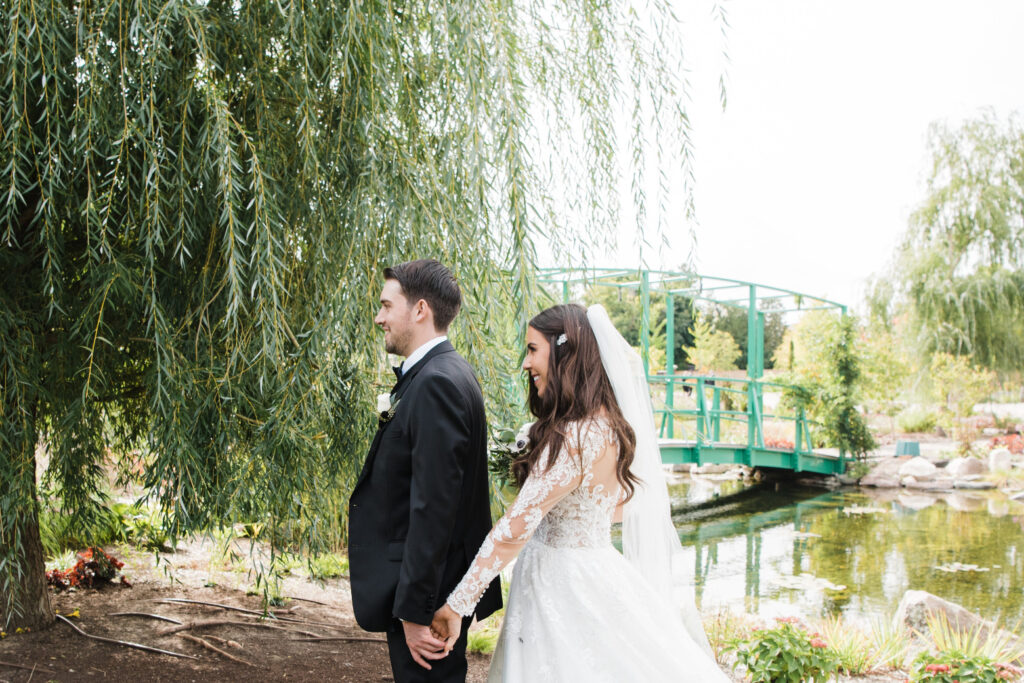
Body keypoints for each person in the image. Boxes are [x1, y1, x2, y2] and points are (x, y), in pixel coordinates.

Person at [431, 303, 730, 682]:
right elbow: (616, 509)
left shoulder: (574, 438)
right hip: (597, 567)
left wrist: (458, 605)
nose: (526, 363)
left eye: (533, 349)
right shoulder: (609, 427)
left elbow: (514, 529)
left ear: (565, 354)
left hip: (560, 584)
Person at [348, 259, 502, 683]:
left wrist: (415, 613)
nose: (379, 317)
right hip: (432, 588)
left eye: (385, 306)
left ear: (419, 310)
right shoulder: (446, 373)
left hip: (429, 598)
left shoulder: (436, 383)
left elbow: (434, 508)